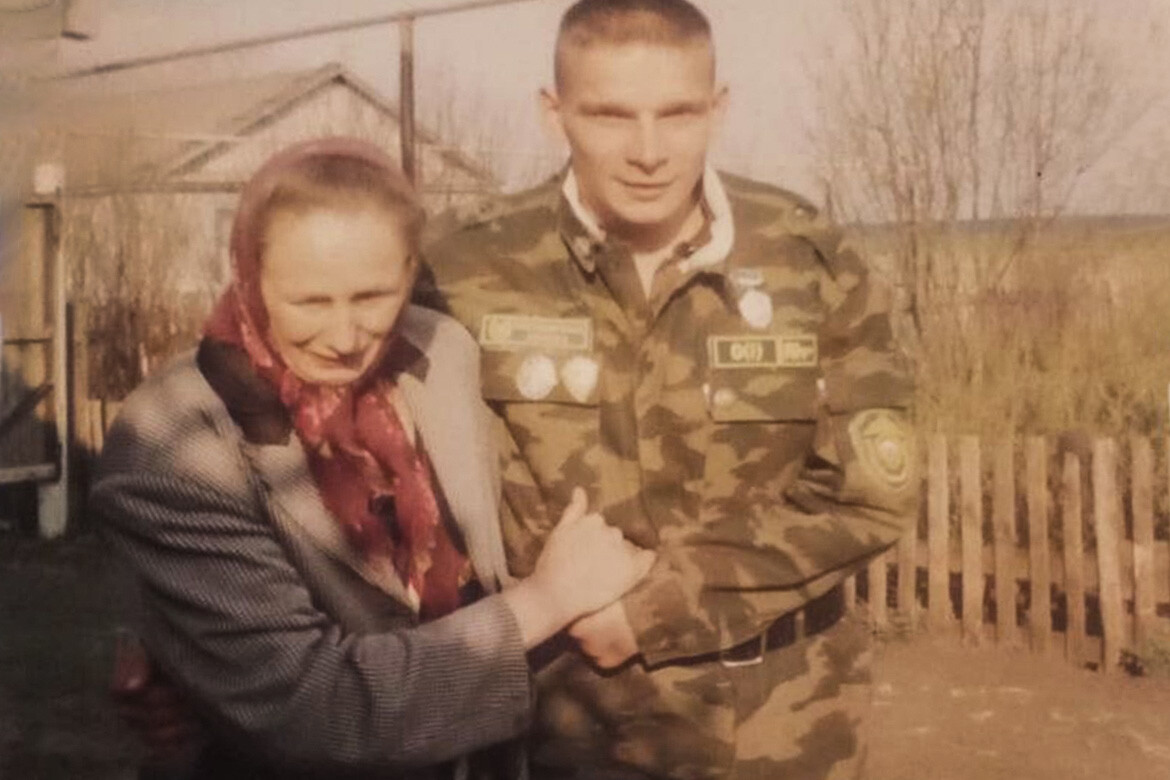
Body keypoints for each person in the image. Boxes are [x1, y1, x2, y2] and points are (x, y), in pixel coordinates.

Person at [417, 1, 920, 777]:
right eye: (611, 115)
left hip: (783, 727)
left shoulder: (808, 258)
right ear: (553, 114)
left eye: (678, 114)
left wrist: (656, 611)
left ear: (718, 109)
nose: (648, 152)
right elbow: (361, 455)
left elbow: (870, 493)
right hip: (560, 729)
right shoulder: (464, 267)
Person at [92, 136, 654, 779]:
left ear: (411, 273)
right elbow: (315, 712)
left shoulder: (442, 354)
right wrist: (546, 602)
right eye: (310, 302)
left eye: (372, 297)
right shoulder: (178, 442)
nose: (345, 337)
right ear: (249, 276)